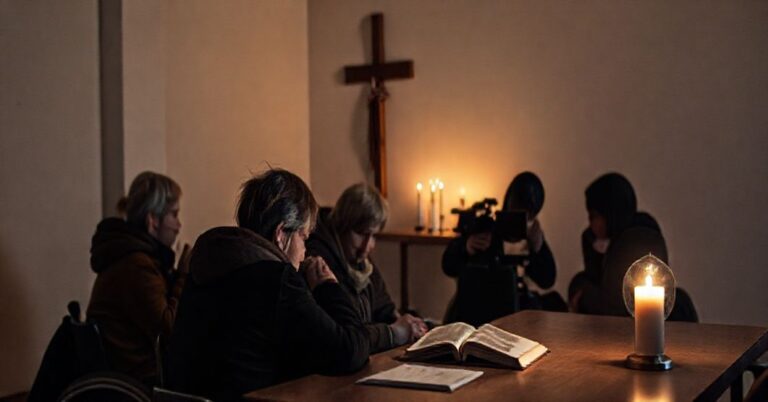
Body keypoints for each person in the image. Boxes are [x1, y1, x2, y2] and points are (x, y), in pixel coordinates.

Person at [165, 169, 369, 401]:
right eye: (303, 238)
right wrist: (327, 285)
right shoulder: (275, 279)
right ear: (281, 235)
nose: (305, 252)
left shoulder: (210, 261)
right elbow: (349, 351)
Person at [86, 171, 188, 385]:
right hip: (139, 379)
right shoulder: (136, 266)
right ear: (153, 220)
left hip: (128, 373)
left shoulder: (129, 256)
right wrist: (184, 275)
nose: (179, 226)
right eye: (174, 214)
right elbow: (169, 331)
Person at [306, 183, 427, 353]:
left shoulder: (361, 261)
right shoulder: (319, 261)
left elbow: (384, 309)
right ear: (343, 225)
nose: (367, 246)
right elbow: (347, 333)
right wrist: (393, 332)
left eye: (374, 236)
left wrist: (409, 324)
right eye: (361, 233)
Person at [568, 173, 698, 321]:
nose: (591, 223)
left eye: (594, 216)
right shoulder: (593, 239)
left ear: (610, 214)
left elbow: (614, 303)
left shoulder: (637, 238)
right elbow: (594, 276)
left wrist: (583, 295)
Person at [442, 172, 561, 327]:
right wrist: (467, 247)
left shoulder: (530, 235)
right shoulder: (487, 227)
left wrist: (538, 249)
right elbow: (448, 265)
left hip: (517, 313)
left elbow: (547, 279)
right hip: (479, 308)